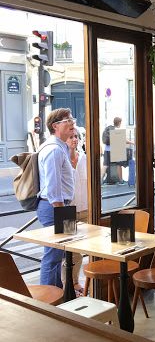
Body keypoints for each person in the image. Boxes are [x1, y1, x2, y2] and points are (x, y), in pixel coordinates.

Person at [37, 108, 75, 287]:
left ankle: (58, 294)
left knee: (57, 255)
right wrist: (62, 213)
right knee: (52, 257)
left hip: (58, 207)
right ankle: (49, 301)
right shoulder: (54, 150)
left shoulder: (60, 147)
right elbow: (53, 187)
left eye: (71, 118)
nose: (72, 122)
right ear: (55, 126)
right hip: (55, 208)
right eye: (67, 119)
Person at [61, 127, 87, 295]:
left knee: (79, 252)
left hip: (84, 208)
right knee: (68, 251)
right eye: (71, 137)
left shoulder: (84, 157)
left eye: (76, 136)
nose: (74, 139)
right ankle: (66, 285)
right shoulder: (61, 158)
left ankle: (76, 282)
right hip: (67, 210)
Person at [101, 116, 134, 184]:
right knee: (119, 164)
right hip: (115, 149)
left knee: (105, 165)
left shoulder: (109, 128)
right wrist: (132, 143)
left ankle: (100, 179)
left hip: (107, 150)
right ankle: (121, 180)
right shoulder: (117, 130)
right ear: (119, 122)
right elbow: (123, 140)